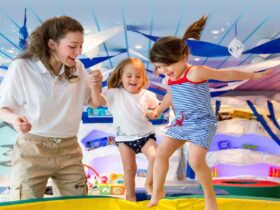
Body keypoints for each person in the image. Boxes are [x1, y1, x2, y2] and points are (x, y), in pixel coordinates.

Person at [146, 16, 271, 209]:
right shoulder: (171, 79)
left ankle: (209, 196)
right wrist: (157, 109)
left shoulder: (195, 72)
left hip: (202, 124)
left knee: (196, 161)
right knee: (161, 153)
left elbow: (227, 74)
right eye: (160, 67)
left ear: (183, 58)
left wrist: (254, 75)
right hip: (181, 123)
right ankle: (158, 191)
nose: (164, 71)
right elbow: (170, 96)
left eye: (167, 65)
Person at [0, 16, 95, 200]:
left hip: (69, 150)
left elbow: (91, 101)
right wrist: (15, 120)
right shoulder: (22, 67)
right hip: (33, 149)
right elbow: (2, 107)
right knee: (25, 205)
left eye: (81, 46)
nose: (78, 51)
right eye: (72, 46)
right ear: (52, 44)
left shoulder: (78, 68)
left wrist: (97, 86)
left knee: (76, 205)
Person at [89, 58, 159, 201]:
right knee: (129, 169)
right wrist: (94, 86)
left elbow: (157, 107)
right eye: (129, 76)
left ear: (143, 78)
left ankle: (149, 184)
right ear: (121, 77)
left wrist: (154, 112)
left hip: (145, 135)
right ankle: (130, 197)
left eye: (138, 76)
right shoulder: (114, 93)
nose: (134, 79)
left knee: (155, 157)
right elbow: (97, 102)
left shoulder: (147, 95)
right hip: (125, 139)